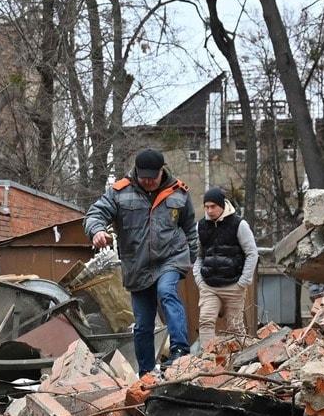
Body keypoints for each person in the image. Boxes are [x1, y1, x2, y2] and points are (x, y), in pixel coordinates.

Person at [84, 148, 199, 374]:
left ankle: (179, 350)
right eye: (143, 177)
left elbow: (190, 230)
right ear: (136, 171)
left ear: (161, 172)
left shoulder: (179, 193)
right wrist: (96, 231)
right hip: (137, 265)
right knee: (144, 324)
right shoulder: (119, 192)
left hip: (170, 257)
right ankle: (146, 373)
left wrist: (190, 258)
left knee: (167, 291)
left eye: (152, 178)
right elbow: (94, 214)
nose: (147, 182)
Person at [193, 186, 258, 349]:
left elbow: (252, 253)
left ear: (222, 205)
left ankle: (241, 362)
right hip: (209, 285)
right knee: (206, 321)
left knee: (235, 327)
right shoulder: (200, 226)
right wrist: (199, 280)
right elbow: (199, 256)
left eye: (213, 206)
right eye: (206, 207)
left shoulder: (239, 224)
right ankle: (207, 359)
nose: (209, 210)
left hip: (233, 284)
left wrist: (243, 282)